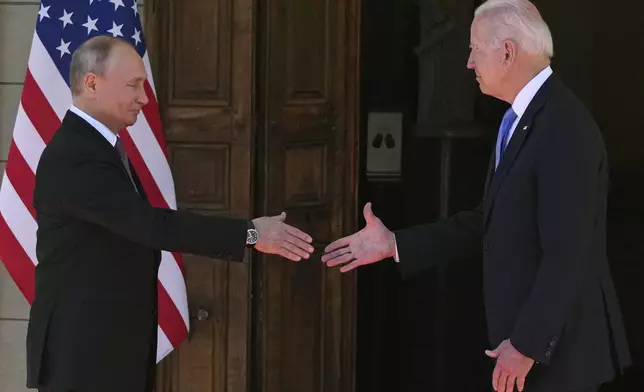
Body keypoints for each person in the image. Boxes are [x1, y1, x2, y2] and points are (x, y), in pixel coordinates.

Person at [322, 1, 631, 391]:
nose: (468, 63)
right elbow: (489, 220)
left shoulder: (563, 126)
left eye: (474, 48)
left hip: (559, 357)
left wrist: (526, 345)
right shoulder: (519, 119)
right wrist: (395, 244)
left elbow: (567, 252)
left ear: (506, 52)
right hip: (530, 352)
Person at [26, 35, 314, 392]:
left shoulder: (99, 146)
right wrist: (250, 233)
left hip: (107, 346)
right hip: (84, 353)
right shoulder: (76, 155)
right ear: (91, 83)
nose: (144, 98)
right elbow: (149, 225)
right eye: (133, 85)